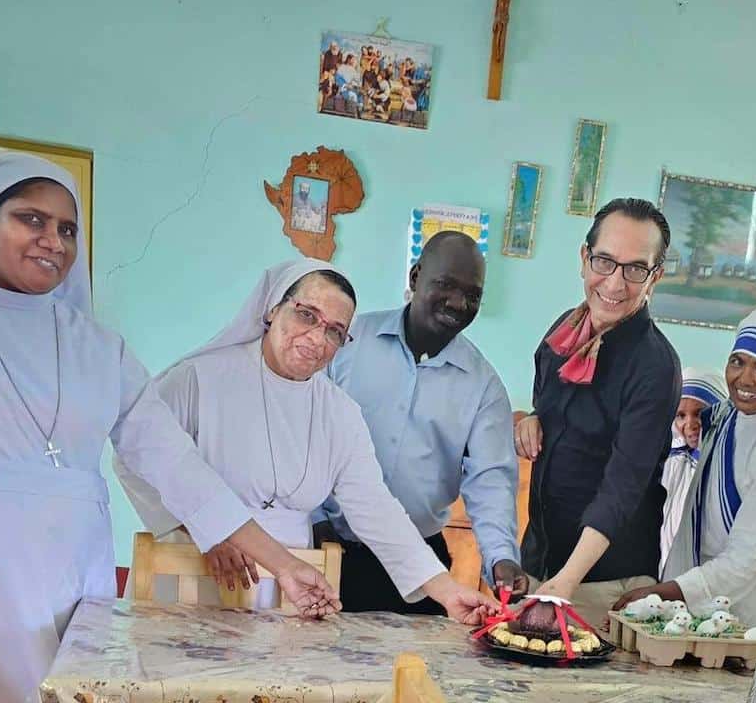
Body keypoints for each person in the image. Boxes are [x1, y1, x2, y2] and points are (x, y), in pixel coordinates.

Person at [0, 154, 337, 703]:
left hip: (69, 564)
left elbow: (176, 464)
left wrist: (285, 565)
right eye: (31, 219)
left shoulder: (99, 348)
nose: (52, 240)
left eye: (67, 229)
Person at [114, 259, 496, 623]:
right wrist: (203, 530)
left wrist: (446, 591)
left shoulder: (340, 414)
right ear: (271, 310)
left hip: (289, 585)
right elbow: (134, 460)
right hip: (191, 570)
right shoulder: (198, 379)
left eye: (334, 331)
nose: (317, 337)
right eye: (306, 314)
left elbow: (376, 509)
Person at [322, 231, 527, 613]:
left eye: (473, 295)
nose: (458, 303)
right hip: (328, 550)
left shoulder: (484, 386)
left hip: (421, 568)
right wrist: (313, 523)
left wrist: (501, 557)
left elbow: (491, 480)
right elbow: (305, 436)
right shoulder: (346, 343)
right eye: (445, 285)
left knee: (413, 672)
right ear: (415, 278)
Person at [613, 305, 756, 635]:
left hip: (752, 601)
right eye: (737, 361)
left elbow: (746, 559)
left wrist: (664, 591)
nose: (744, 379)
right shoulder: (726, 418)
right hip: (699, 587)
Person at [514, 198, 681, 626]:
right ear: (584, 258)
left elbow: (622, 486)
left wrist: (567, 581)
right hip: (542, 564)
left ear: (654, 278)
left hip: (604, 583)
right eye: (605, 261)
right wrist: (533, 418)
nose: (615, 282)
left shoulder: (655, 365)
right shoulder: (563, 332)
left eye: (635, 269)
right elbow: (550, 407)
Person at [659, 367, 728, 575]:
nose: (689, 424)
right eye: (680, 415)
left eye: (699, 413)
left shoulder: (725, 463)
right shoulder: (669, 459)